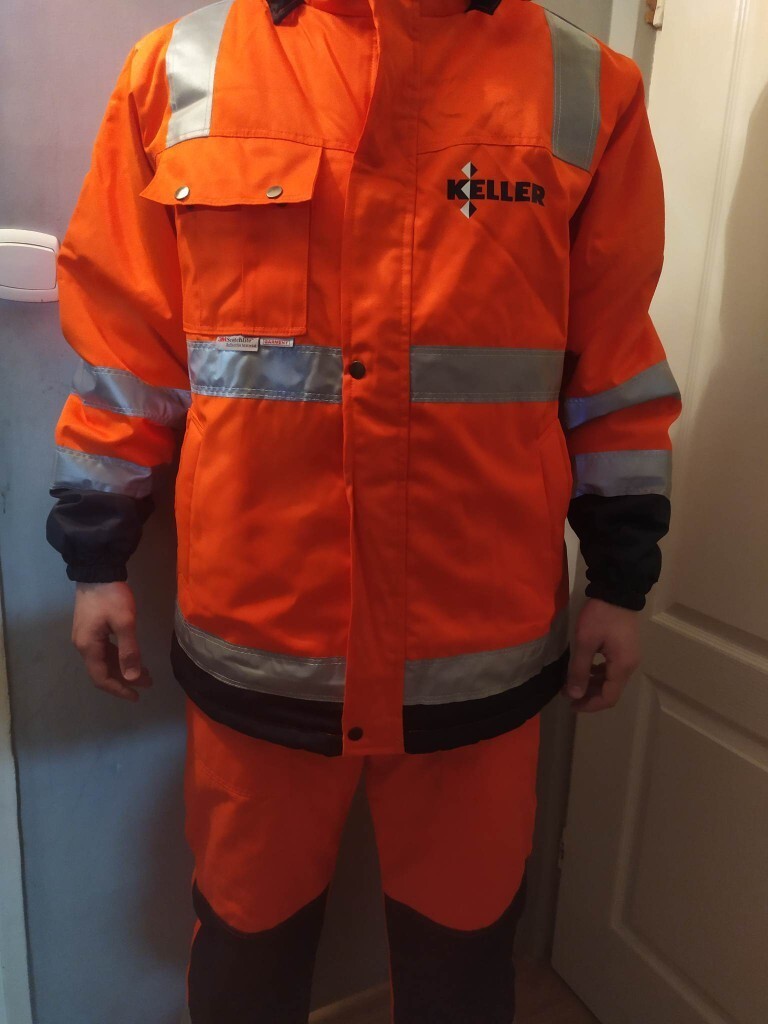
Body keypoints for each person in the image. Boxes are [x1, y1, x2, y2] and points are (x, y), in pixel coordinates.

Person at [45, 0, 683, 1020]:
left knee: (463, 963)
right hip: (261, 633)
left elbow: (613, 365)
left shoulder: (584, 86)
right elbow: (128, 350)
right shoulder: (180, 70)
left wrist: (621, 579)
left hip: (478, 642)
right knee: (245, 954)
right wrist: (96, 552)